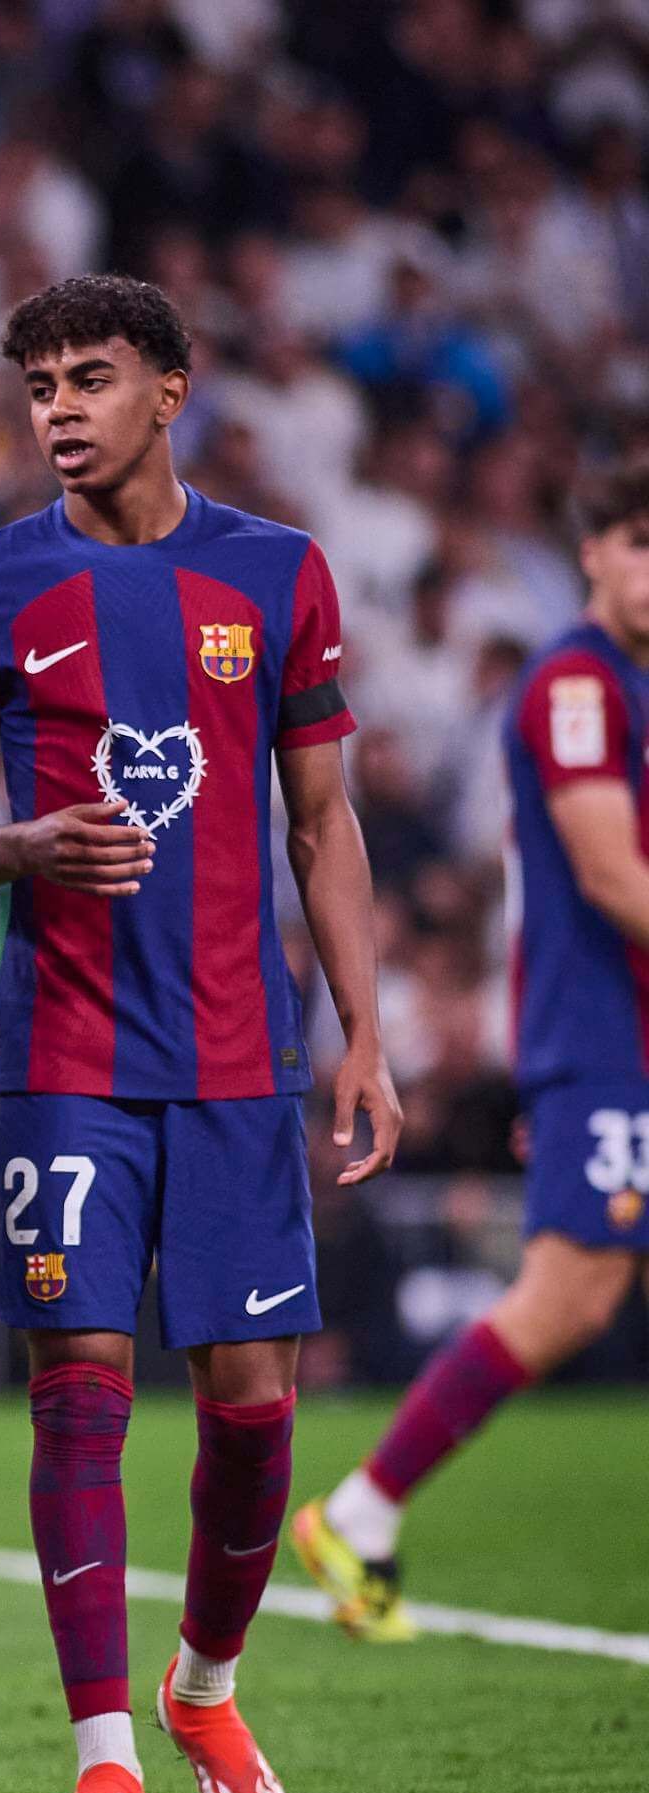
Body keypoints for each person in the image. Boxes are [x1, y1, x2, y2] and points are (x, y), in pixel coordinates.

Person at [0, 275, 400, 1793]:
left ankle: (204, 1681)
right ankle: (105, 1751)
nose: (60, 406)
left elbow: (323, 826)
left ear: (170, 389)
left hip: (242, 1055)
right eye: (41, 382)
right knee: (81, 1390)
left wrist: (367, 1035)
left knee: (256, 1407)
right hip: (61, 1054)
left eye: (92, 377)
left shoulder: (275, 574)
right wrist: (19, 844)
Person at [295, 459, 649, 1640]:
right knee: (571, 1292)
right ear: (590, 549)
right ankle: (362, 1504)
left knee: (578, 1295)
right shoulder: (578, 687)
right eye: (637, 541)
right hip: (608, 1040)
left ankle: (365, 1507)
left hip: (615, 1041)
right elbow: (608, 873)